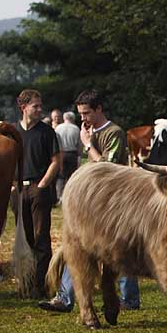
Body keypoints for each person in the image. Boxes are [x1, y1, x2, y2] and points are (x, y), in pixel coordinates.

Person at [41, 90, 137, 312]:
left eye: (86, 113)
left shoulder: (114, 133)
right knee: (76, 245)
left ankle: (129, 299)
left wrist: (86, 144)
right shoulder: (87, 130)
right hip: (90, 204)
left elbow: (108, 168)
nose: (82, 118)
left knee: (121, 250)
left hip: (114, 203)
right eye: (80, 113)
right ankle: (65, 297)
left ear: (99, 109)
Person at [12, 90, 61, 299]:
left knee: (41, 238)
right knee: (24, 238)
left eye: (40, 106)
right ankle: (26, 284)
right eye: (36, 106)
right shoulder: (12, 133)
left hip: (38, 189)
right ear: (23, 108)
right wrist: (10, 185)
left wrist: (42, 185)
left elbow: (56, 161)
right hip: (17, 191)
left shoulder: (47, 132)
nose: (40, 110)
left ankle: (41, 285)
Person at [54, 111, 81, 202]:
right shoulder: (76, 129)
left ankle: (59, 196)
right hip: (72, 154)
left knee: (60, 176)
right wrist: (79, 156)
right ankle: (70, 196)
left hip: (60, 153)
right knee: (71, 176)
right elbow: (79, 145)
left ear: (64, 118)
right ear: (72, 119)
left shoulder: (58, 128)